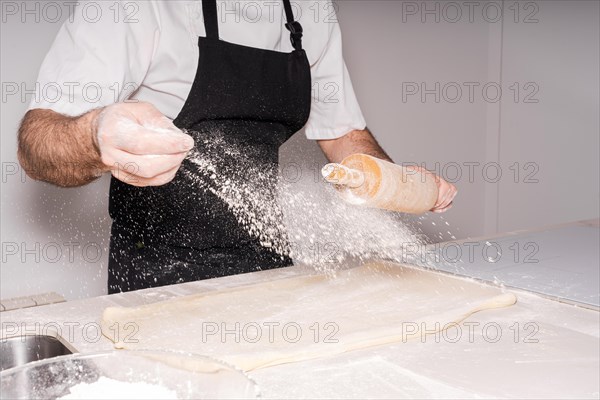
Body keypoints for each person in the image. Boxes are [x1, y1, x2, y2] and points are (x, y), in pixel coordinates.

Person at [18, 0, 457, 293]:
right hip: (157, 274)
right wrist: (96, 133)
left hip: (268, 258)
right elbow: (38, 143)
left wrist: (400, 184)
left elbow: (344, 135)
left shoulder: (309, 8)